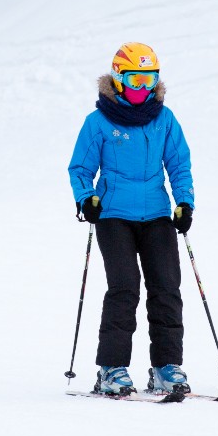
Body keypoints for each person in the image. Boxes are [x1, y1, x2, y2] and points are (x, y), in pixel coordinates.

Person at [68, 42, 196, 397]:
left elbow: (179, 164)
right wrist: (86, 198)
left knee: (167, 288)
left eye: (149, 79)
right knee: (124, 288)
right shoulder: (98, 122)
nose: (143, 87)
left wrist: (184, 202)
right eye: (136, 79)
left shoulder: (164, 119)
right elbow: (80, 168)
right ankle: (111, 369)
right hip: (114, 216)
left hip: (156, 213)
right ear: (118, 79)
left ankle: (166, 367)